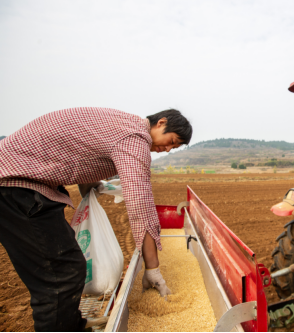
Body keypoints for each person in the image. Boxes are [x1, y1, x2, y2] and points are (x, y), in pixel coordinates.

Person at [0, 107, 192, 332]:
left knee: (67, 267)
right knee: (61, 274)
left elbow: (78, 153)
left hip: (22, 183)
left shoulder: (121, 124)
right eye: (172, 141)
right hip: (15, 186)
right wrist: (153, 268)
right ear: (161, 123)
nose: (167, 149)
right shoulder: (135, 138)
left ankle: (72, 325)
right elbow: (141, 206)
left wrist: (95, 186)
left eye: (174, 148)